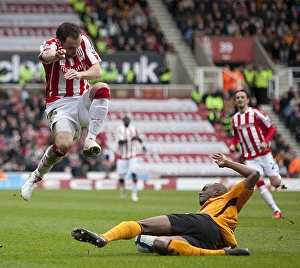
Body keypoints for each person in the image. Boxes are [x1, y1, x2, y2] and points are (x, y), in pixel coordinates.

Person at [71, 152, 260, 256]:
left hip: (207, 224)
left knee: (143, 226)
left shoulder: (229, 198)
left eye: (206, 188)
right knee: (161, 244)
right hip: (213, 242)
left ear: (218, 191)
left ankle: (104, 238)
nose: (201, 191)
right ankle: (224, 254)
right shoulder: (209, 209)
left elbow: (254, 175)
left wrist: (227, 163)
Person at [21, 22, 110, 201]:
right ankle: (36, 176)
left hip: (81, 99)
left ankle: (90, 139)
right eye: (71, 47)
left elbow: (97, 71)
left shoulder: (83, 41)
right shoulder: (50, 45)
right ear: (60, 42)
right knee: (64, 145)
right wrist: (56, 55)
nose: (75, 50)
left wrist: (79, 75)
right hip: (59, 104)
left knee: (102, 87)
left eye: (77, 46)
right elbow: (45, 56)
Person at [229, 89, 285, 219]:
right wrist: (233, 144)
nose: (240, 99)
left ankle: (276, 174)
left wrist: (265, 141)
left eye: (242, 97)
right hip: (249, 158)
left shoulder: (256, 113)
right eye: (237, 97)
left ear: (247, 99)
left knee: (276, 183)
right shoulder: (235, 119)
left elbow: (271, 128)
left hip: (264, 154)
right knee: (259, 183)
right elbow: (236, 136)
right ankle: (276, 210)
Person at [115, 115, 146, 201]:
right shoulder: (119, 129)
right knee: (121, 177)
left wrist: (143, 146)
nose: (126, 121)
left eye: (128, 119)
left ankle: (134, 193)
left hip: (133, 156)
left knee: (134, 174)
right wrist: (132, 138)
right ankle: (124, 189)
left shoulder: (135, 129)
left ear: (130, 120)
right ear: (123, 120)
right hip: (122, 157)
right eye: (125, 119)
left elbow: (140, 138)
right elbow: (120, 141)